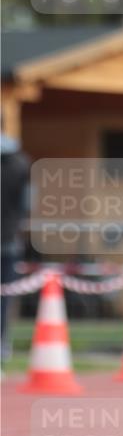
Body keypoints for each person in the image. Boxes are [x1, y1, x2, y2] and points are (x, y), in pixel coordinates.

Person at [1, 126, 30, 363]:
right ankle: (1, 344)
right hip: (9, 240)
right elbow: (29, 202)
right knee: (4, 295)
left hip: (8, 239)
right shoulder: (20, 162)